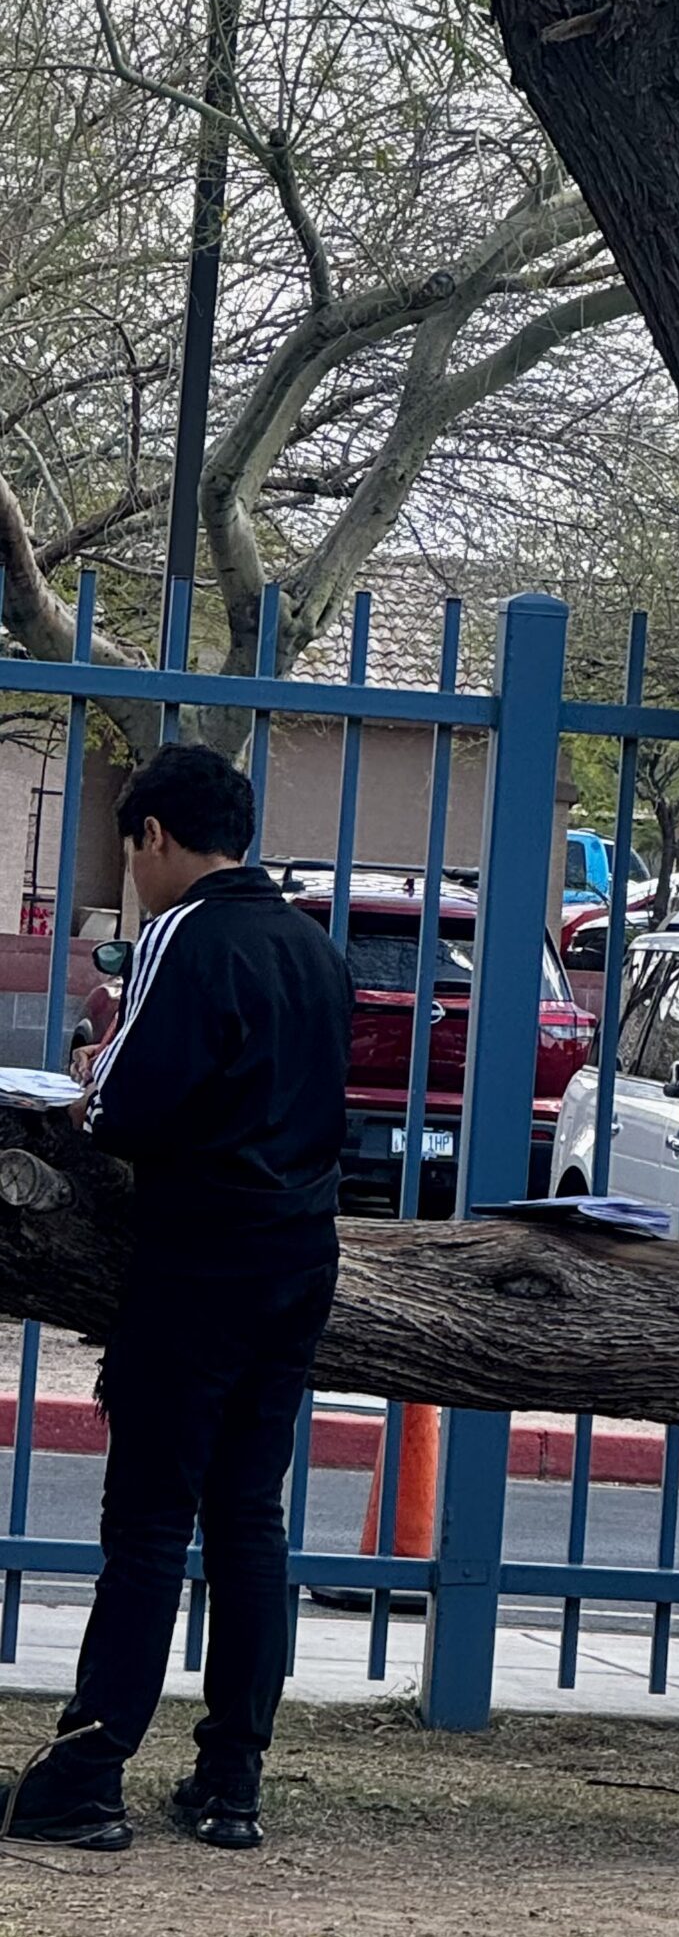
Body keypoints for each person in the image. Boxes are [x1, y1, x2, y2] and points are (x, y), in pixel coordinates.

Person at [1, 744, 351, 1853]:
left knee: (149, 1521)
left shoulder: (181, 937)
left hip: (197, 1261)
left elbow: (128, 1108)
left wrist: (80, 1095)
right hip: (299, 1258)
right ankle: (231, 1778)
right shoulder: (314, 948)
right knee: (249, 1517)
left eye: (130, 847)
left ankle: (89, 1770)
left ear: (155, 835)